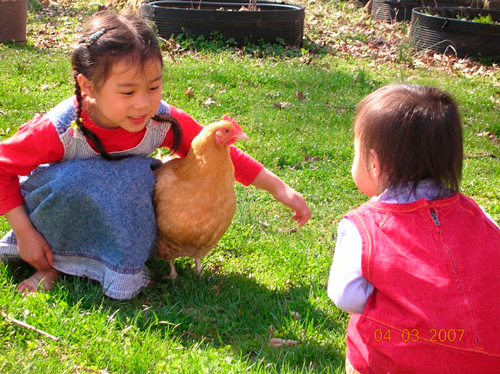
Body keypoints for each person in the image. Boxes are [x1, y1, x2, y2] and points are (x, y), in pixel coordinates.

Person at [0, 11, 311, 300]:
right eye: (127, 92)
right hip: (61, 209)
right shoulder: (61, 128)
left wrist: (279, 189)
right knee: (94, 180)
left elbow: (216, 152)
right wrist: (26, 232)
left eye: (153, 87)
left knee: (140, 178)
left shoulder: (162, 122)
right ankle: (52, 265)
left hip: (112, 208)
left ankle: (118, 261)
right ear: (87, 87)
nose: (142, 103)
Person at [327, 84, 500, 373]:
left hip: (401, 362)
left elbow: (346, 297)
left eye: (354, 149)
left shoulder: (363, 226)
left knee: (361, 325)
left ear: (374, 164)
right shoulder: (477, 213)